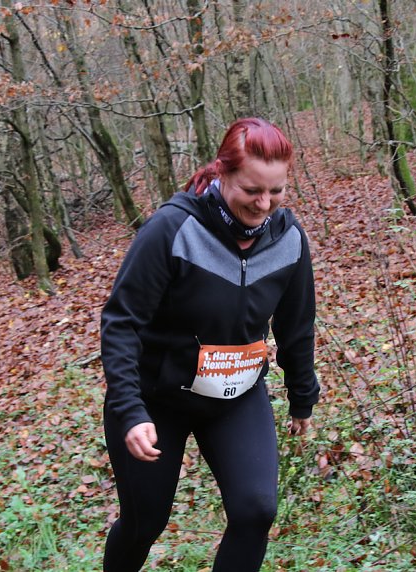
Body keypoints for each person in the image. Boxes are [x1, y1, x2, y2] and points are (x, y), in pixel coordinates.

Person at [100, 117, 320, 571]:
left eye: (276, 192)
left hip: (237, 395)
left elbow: (296, 327)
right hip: (157, 399)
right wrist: (129, 409)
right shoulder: (172, 230)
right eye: (251, 190)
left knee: (256, 510)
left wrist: (303, 398)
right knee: (145, 524)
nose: (264, 204)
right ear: (222, 174)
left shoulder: (289, 242)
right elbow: (122, 322)